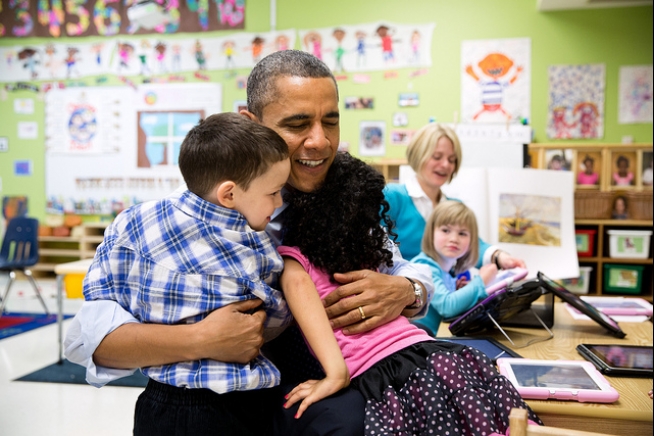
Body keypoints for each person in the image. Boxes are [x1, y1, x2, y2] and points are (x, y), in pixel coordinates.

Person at [65, 49, 434, 436]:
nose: (319, 142)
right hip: (207, 410)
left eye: (331, 122)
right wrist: (198, 339)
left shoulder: (346, 195)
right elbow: (88, 340)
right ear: (251, 123)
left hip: (328, 398)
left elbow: (403, 269)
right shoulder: (172, 224)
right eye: (297, 124)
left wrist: (407, 290)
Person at [278, 152, 542, 435]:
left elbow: (318, 328)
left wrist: (334, 376)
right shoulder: (366, 253)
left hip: (381, 373)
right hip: (432, 354)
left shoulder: (295, 266)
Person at [74, 112, 293, 434]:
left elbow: (96, 296)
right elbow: (275, 316)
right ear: (229, 194)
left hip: (163, 403)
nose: (277, 202)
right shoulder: (253, 242)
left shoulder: (133, 222)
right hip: (235, 402)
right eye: (274, 193)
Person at [383, 122, 525, 268]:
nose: (445, 165)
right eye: (437, 157)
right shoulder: (392, 197)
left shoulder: (452, 206)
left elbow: (473, 246)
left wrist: (499, 256)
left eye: (452, 160)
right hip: (399, 287)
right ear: (418, 155)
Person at [411, 200, 499, 335]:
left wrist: (463, 292)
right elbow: (447, 306)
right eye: (446, 230)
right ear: (431, 233)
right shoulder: (423, 266)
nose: (454, 239)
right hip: (418, 344)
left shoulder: (448, 272)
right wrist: (481, 281)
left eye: (462, 233)